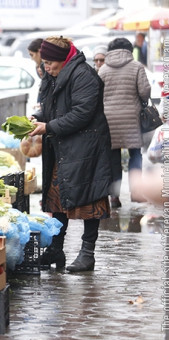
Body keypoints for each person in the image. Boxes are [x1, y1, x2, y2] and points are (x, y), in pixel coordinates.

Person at [29, 36, 112, 273]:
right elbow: (53, 108)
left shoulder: (84, 75)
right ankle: (56, 249)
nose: (46, 67)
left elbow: (81, 113)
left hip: (87, 148)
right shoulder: (52, 76)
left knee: (90, 198)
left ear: (63, 59)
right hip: (63, 147)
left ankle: (87, 255)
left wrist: (49, 127)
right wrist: (39, 118)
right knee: (57, 198)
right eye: (44, 62)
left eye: (50, 62)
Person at [98, 37, 150, 208]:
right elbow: (144, 92)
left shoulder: (103, 69)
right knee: (135, 154)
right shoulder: (136, 67)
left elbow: (96, 95)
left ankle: (114, 196)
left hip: (109, 120)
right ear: (128, 50)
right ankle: (136, 191)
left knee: (114, 158)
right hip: (132, 118)